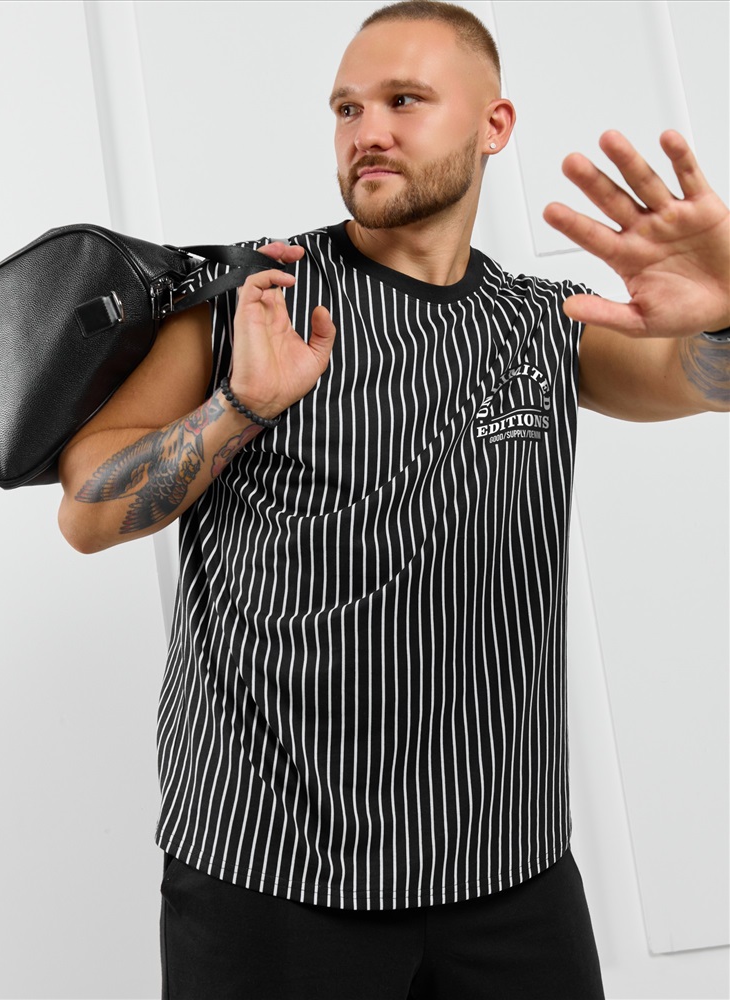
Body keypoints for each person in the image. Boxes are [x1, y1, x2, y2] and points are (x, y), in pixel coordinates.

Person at [57, 2, 730, 997]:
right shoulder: (252, 297)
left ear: (494, 125)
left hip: (508, 868)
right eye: (347, 107)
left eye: (404, 100)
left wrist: (726, 315)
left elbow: (702, 381)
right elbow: (86, 512)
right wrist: (240, 408)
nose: (366, 129)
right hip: (272, 870)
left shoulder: (546, 323)